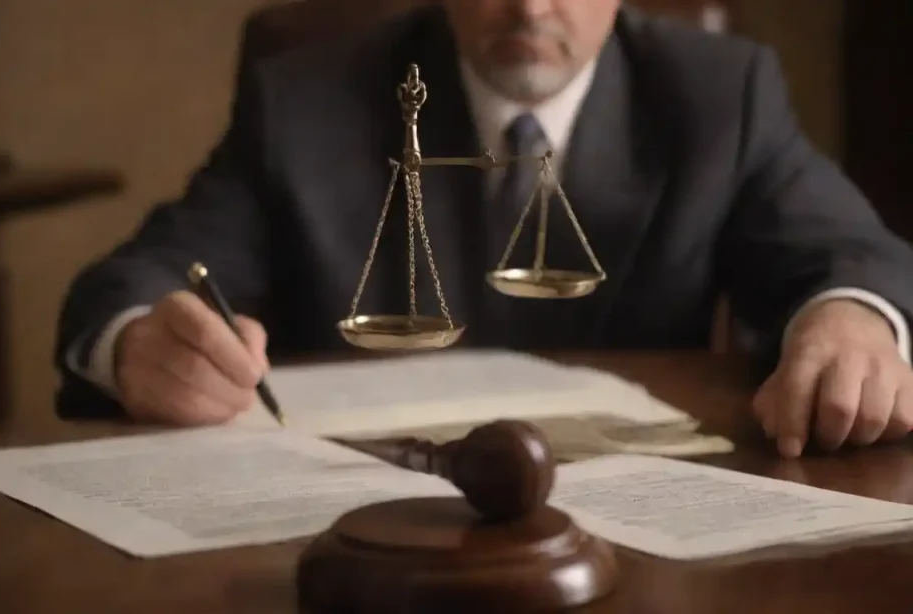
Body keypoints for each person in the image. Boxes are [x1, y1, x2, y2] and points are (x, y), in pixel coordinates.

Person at [55, 0, 913, 459]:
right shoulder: (306, 99)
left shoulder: (721, 93)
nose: (529, 3)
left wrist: (852, 320)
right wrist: (140, 343)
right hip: (358, 528)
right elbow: (145, 275)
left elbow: (851, 257)